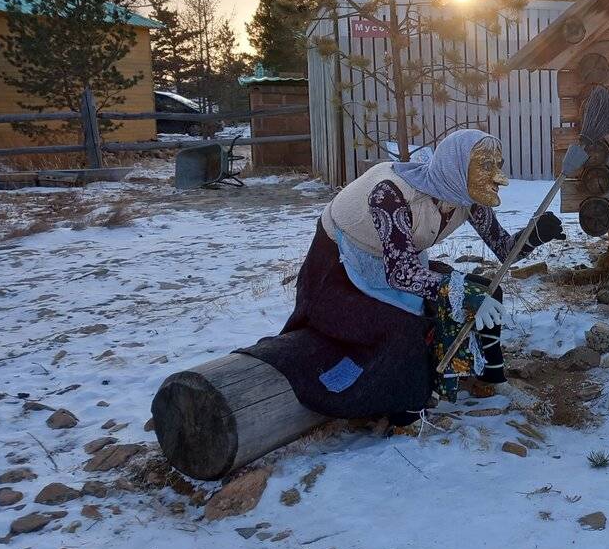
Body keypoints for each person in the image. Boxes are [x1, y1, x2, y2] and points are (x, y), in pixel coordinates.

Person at [240, 129, 564, 425]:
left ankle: (490, 378)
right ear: (457, 166)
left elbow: (504, 250)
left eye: (498, 165)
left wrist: (534, 235)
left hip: (396, 263)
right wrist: (458, 292)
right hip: (337, 275)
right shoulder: (390, 194)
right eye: (486, 166)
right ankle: (403, 410)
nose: (499, 178)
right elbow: (401, 274)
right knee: (405, 329)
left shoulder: (466, 197)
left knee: (486, 293)